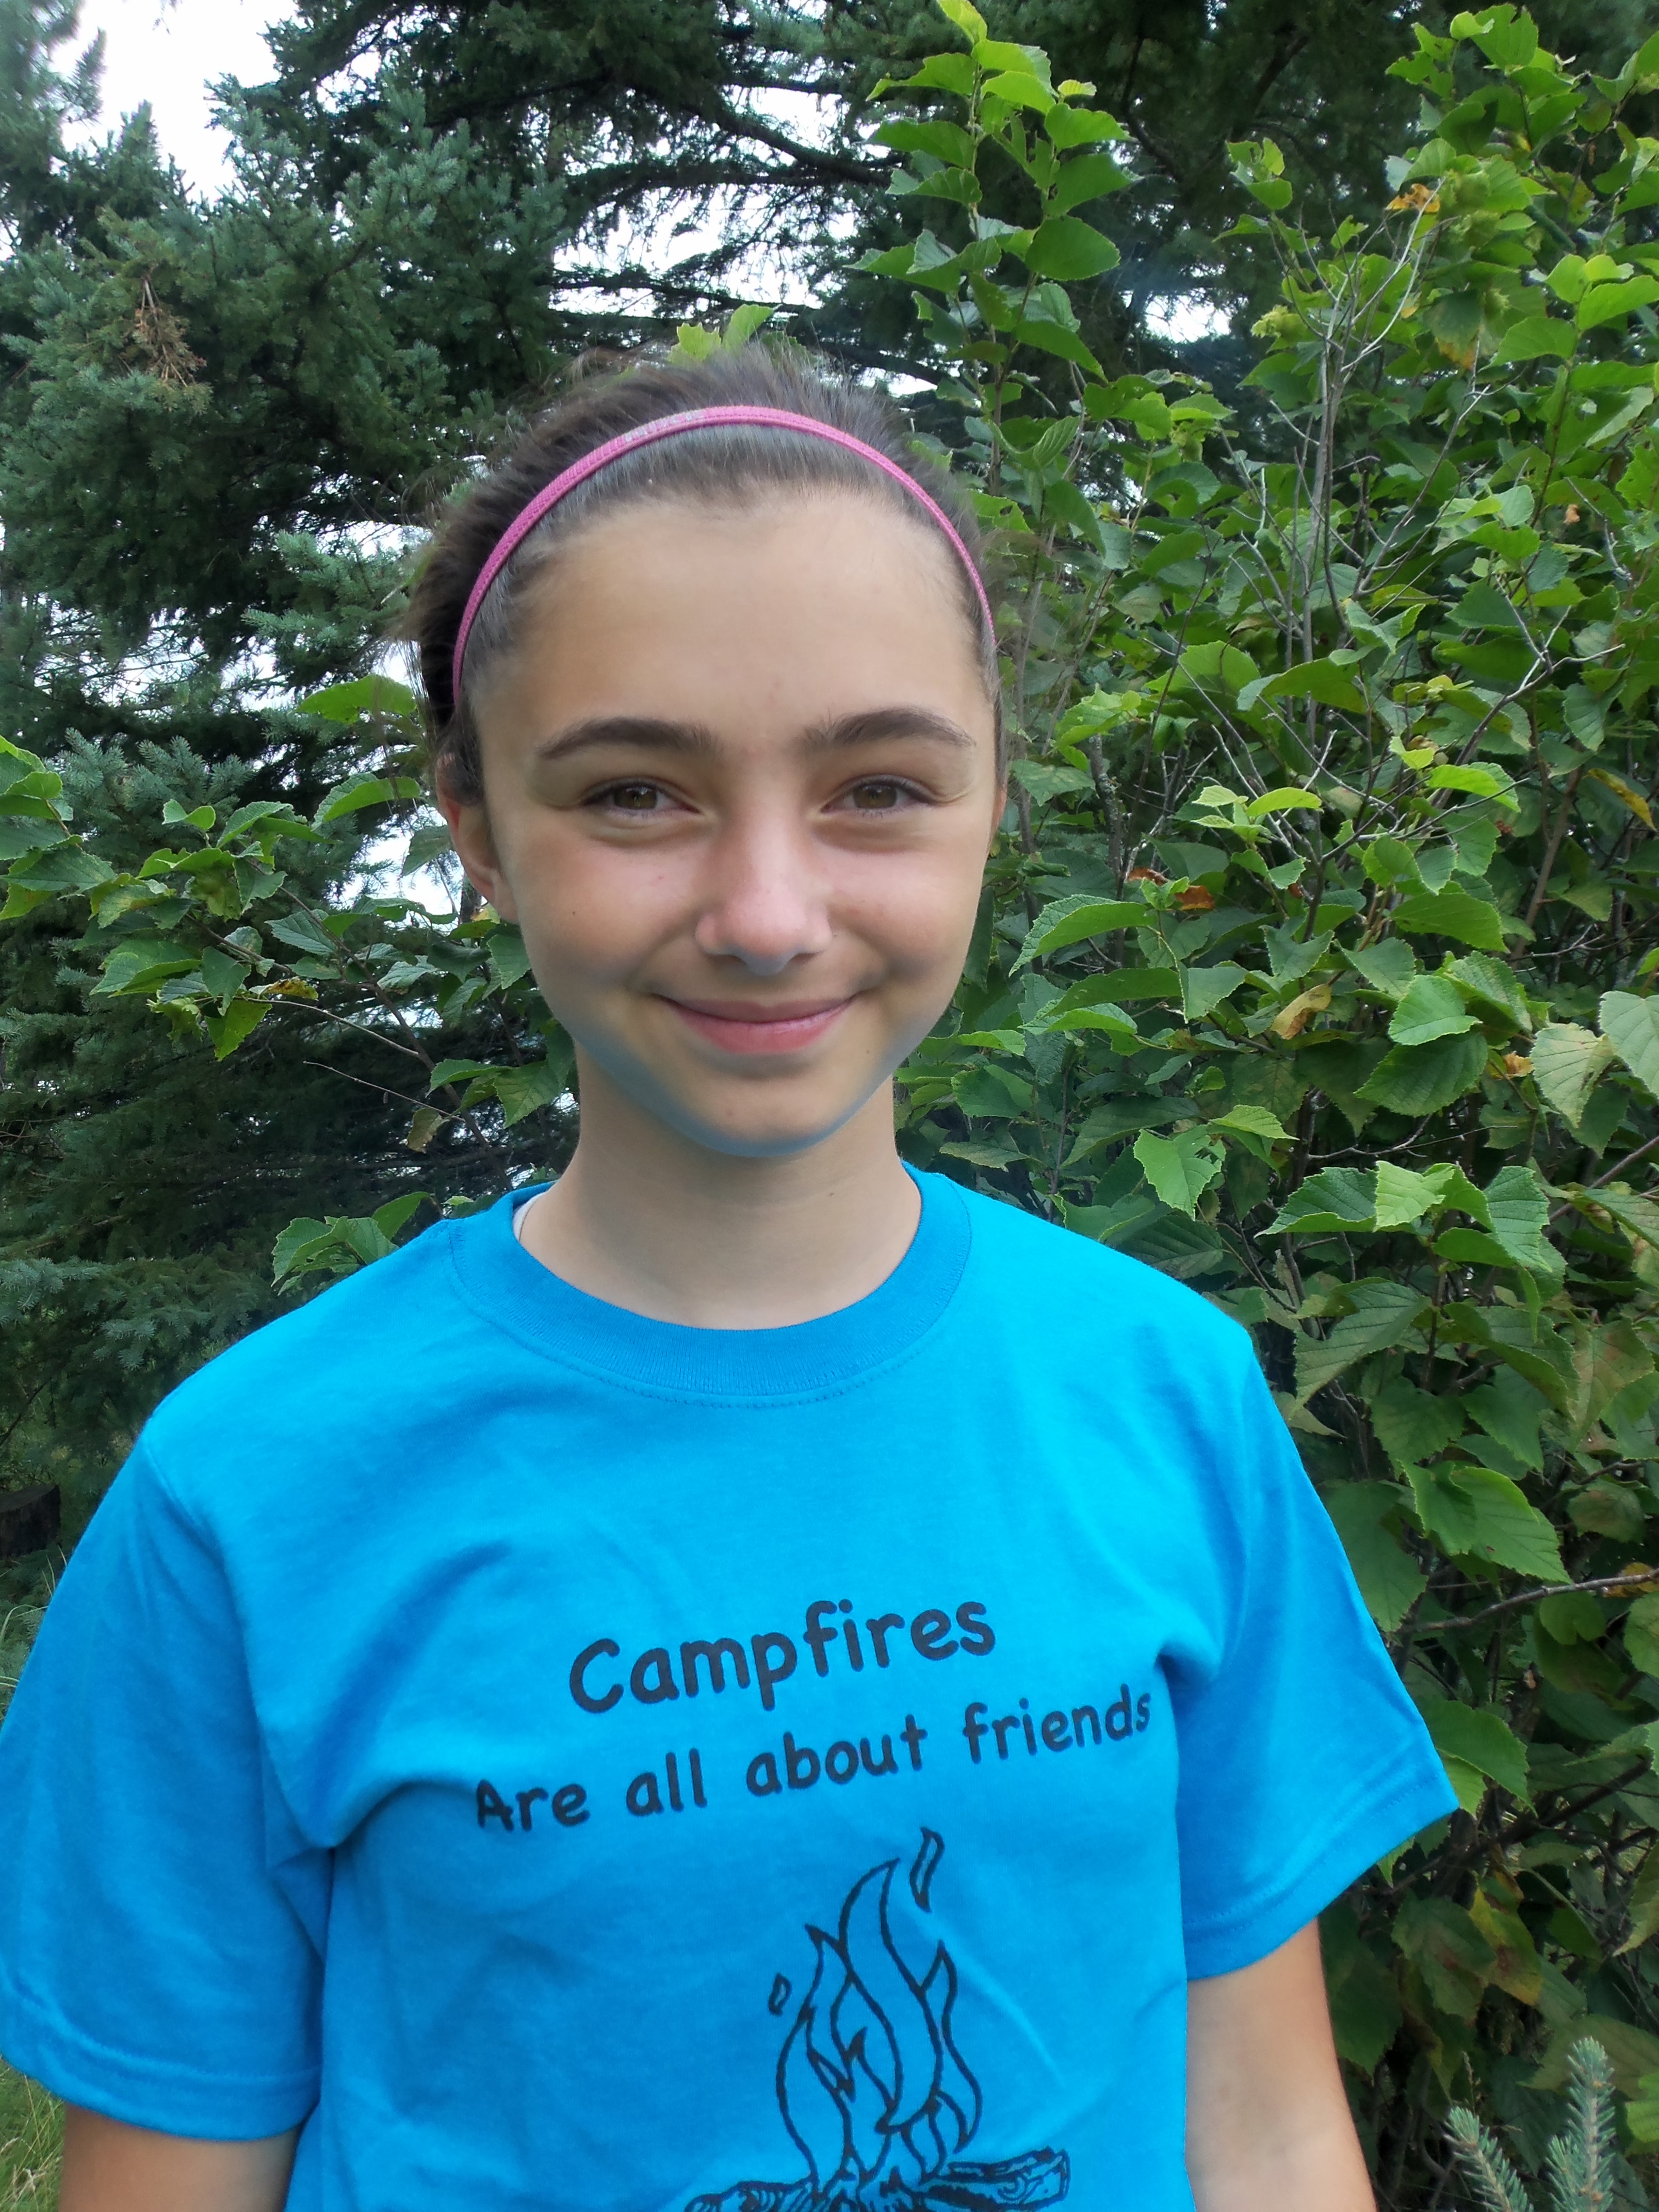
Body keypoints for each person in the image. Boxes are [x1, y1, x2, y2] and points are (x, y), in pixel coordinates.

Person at [0, 347, 1453, 2212]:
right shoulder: (253, 1496)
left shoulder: (1164, 1392)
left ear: (995, 804)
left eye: (878, 787)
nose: (770, 916)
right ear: (478, 835)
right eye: (635, 794)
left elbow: (1260, 2127)